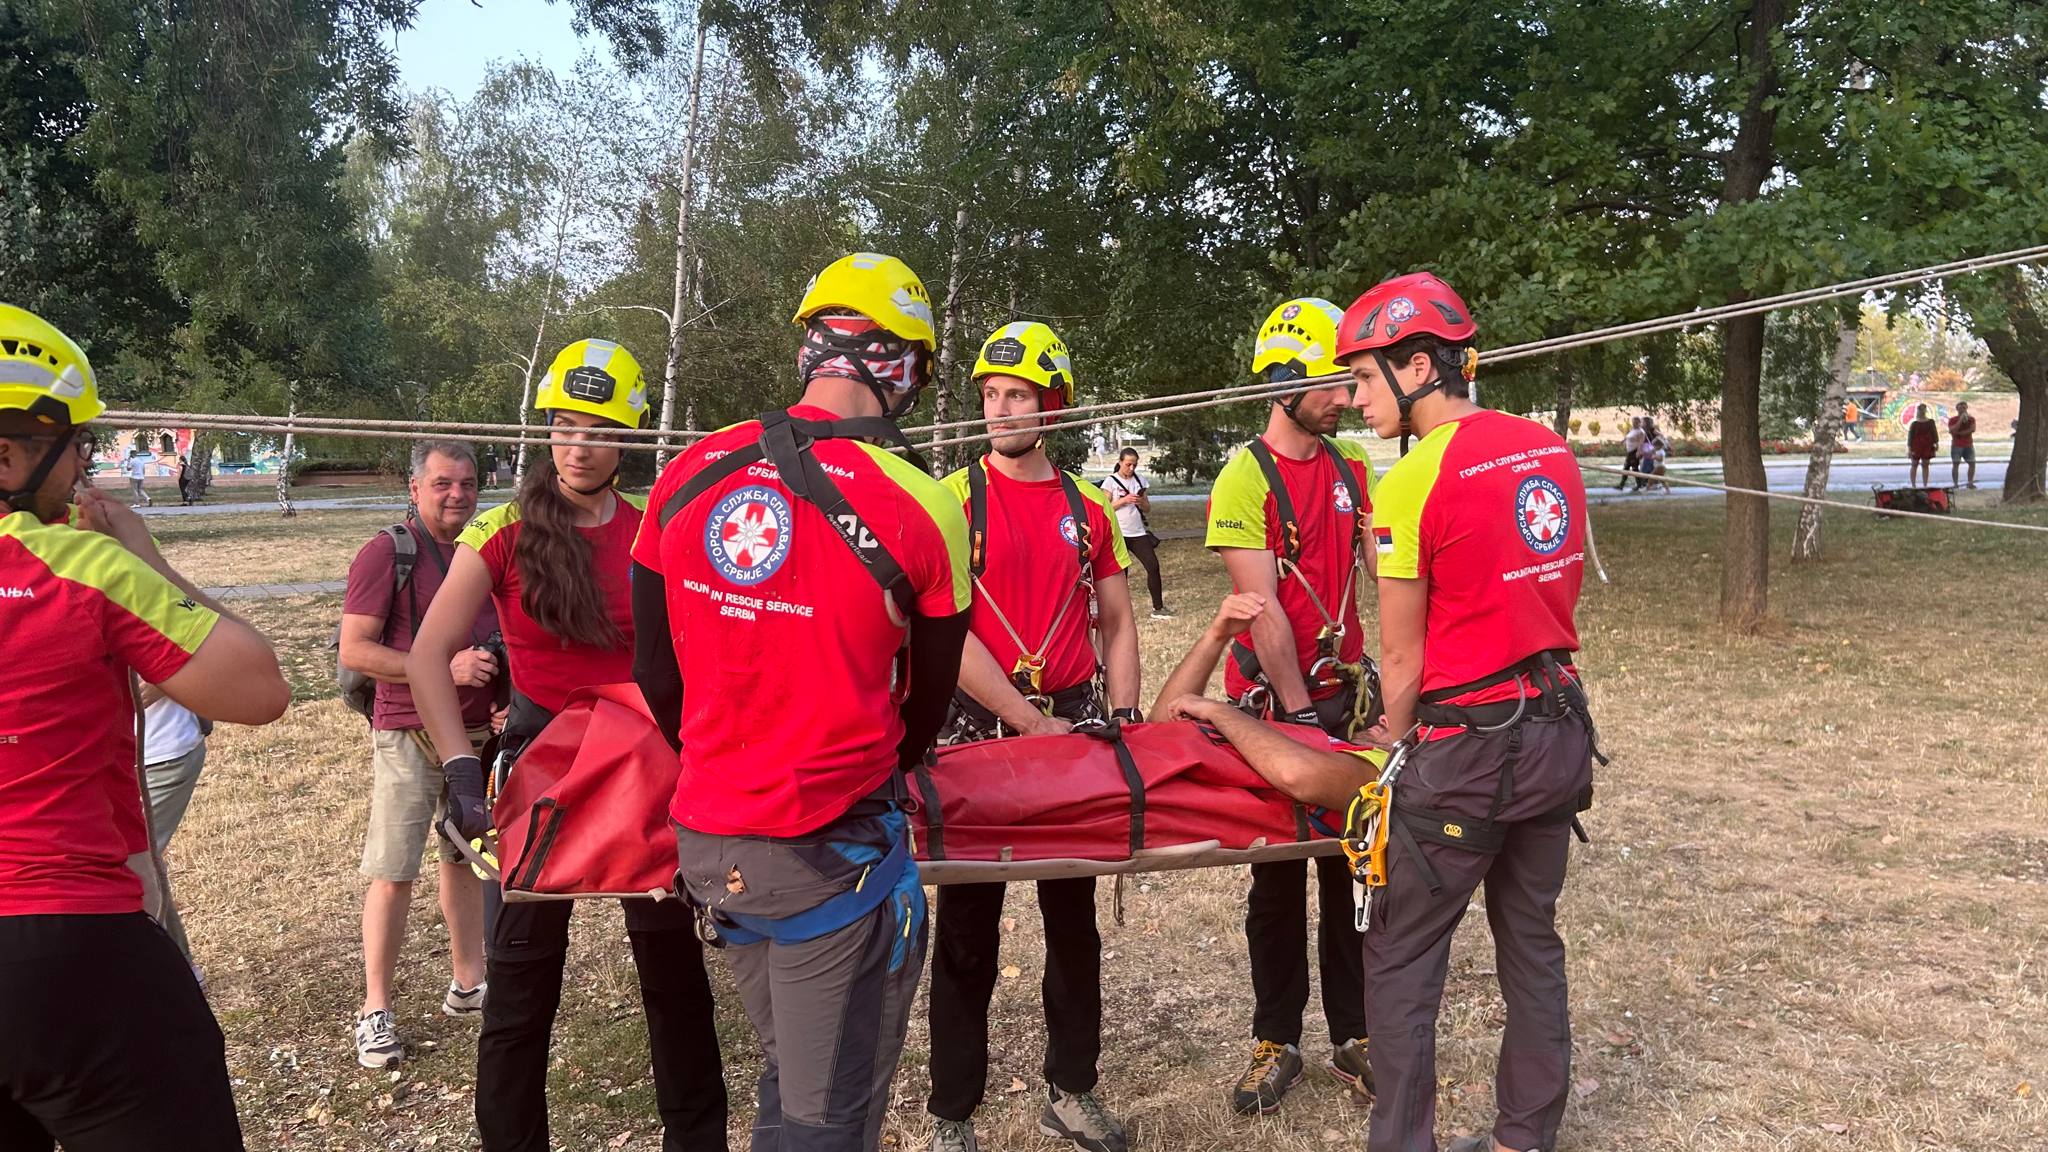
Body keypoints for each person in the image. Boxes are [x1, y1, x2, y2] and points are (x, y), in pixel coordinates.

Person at [632, 252, 971, 1152]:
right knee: (829, 1117)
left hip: (711, 839)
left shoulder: (687, 472)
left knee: (792, 1071)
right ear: (898, 364)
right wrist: (878, 767)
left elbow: (655, 670)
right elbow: (927, 701)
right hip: (832, 855)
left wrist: (717, 755)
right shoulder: (926, 505)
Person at [405, 341, 726, 1152]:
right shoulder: (503, 528)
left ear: (631, 435)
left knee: (674, 980)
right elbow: (424, 656)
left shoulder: (660, 526)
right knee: (519, 984)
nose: (577, 443)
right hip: (543, 768)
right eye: (563, 424)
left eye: (598, 427)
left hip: (644, 770)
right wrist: (458, 768)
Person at [0, 302, 290, 1150]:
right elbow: (258, 686)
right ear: (7, 454)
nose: (83, 466)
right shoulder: (79, 567)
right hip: (67, 944)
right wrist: (144, 561)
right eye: (73, 446)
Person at [1336, 272, 1600, 1152]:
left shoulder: (1409, 483)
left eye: (1365, 379)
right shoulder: (1548, 449)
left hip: (1468, 753)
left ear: (1418, 367)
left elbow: (1402, 654)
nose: (1351, 397)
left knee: (1404, 958)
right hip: (1558, 725)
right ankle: (1525, 1138)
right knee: (1531, 942)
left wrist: (1389, 736)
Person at [926, 322, 1140, 1152]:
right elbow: (942, 633)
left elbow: (1117, 620)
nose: (1000, 409)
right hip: (980, 728)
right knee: (967, 928)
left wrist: (1122, 719)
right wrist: (1027, 720)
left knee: (1072, 921)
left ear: (1052, 405)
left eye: (1017, 395)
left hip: (1076, 718)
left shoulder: (1088, 509)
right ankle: (952, 1113)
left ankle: (1073, 1090)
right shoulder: (949, 502)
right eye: (989, 396)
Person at [1206, 296, 1376, 1115]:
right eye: (1331, 382)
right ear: (1282, 381)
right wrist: (1302, 716)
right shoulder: (1245, 475)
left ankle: (1357, 1032)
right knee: (1275, 877)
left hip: (1346, 698)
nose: (1345, 396)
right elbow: (1261, 605)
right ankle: (1276, 1037)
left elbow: (1372, 576)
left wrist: (1381, 694)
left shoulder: (1351, 470)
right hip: (1278, 705)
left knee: (1356, 870)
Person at [339, 440, 500, 1069]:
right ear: (414, 488)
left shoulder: (480, 553)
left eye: (466, 483)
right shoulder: (388, 551)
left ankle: (468, 981)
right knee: (394, 868)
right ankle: (375, 1008)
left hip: (477, 735)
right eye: (441, 483)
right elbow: (356, 650)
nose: (456, 494)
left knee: (464, 859)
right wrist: (442, 669)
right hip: (408, 731)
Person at [134, 687, 209, 961]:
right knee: (139, 864)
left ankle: (167, 967)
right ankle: (178, 964)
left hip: (159, 756)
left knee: (128, 864)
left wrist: (163, 678)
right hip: (103, 755)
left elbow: (200, 649)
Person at [1104, 447, 1170, 618]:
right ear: (1120, 462)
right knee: (1121, 573)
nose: (1131, 468)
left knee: (1153, 566)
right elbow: (1104, 508)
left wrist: (1141, 502)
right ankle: (1120, 612)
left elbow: (1147, 508)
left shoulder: (1140, 481)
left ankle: (1158, 608)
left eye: (1134, 465)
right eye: (1128, 464)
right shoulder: (1110, 482)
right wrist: (1124, 500)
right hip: (1118, 533)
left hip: (1138, 532)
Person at [1907, 403, 1938, 487]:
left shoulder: (1931, 422)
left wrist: (1936, 443)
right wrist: (1909, 449)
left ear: (1925, 410)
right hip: (1916, 446)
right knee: (1914, 464)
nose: (1922, 411)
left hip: (1927, 446)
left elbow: (1934, 433)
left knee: (1925, 465)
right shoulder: (1914, 424)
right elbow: (1910, 437)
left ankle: (1925, 484)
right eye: (1920, 409)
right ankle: (1913, 484)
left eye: (1923, 409)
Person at [1949, 400, 1977, 489]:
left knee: (1972, 463)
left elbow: (1973, 429)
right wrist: (1960, 420)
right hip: (1957, 444)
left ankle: (1970, 483)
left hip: (1968, 444)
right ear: (1957, 409)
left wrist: (1961, 433)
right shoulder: (1953, 419)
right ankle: (1955, 483)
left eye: (1964, 408)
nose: (1962, 410)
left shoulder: (1971, 419)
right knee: (1956, 463)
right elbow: (1952, 430)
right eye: (1960, 408)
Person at [1617, 417, 1646, 491]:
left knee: (1634, 468)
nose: (1634, 424)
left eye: (1636, 422)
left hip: (1634, 451)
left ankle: (1639, 484)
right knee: (1626, 468)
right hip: (1629, 452)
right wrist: (1622, 441)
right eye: (1633, 422)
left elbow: (1641, 443)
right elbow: (1628, 437)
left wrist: (1638, 452)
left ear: (1639, 423)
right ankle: (1622, 485)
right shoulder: (1633, 429)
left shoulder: (1641, 432)